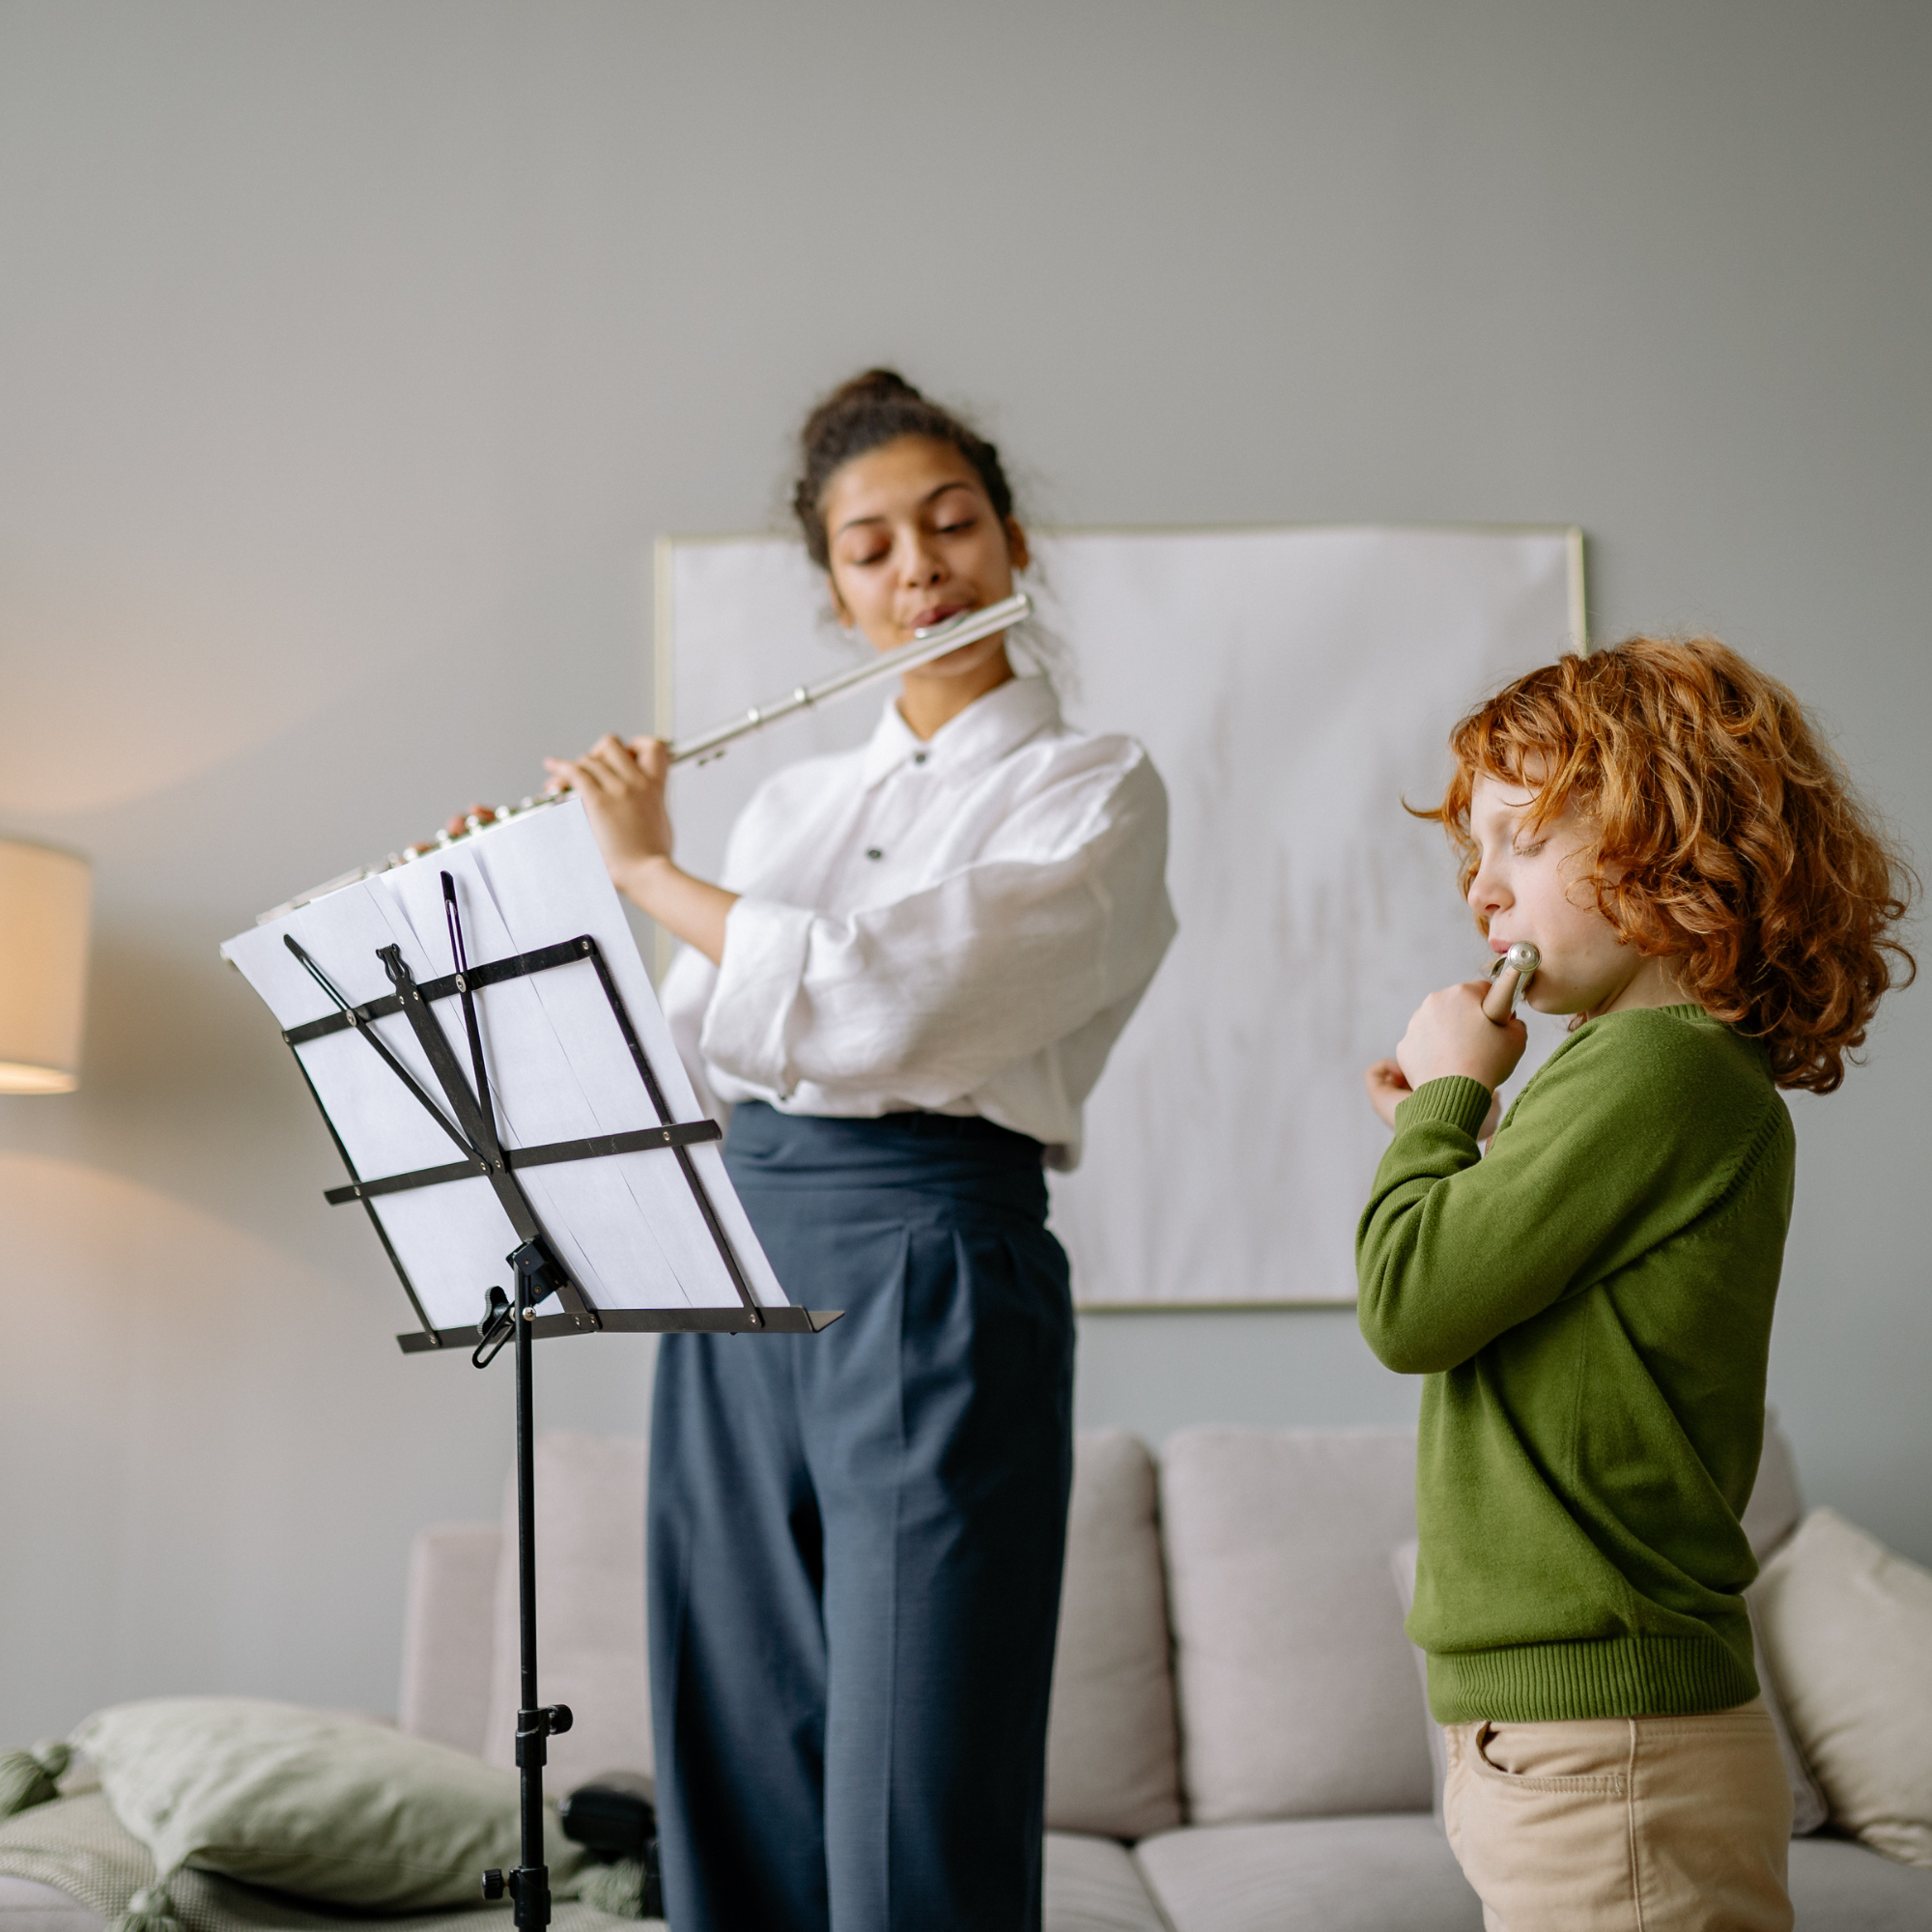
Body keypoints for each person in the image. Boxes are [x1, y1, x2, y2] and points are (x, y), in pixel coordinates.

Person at [546, 369, 1177, 1932]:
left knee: (921, 1759)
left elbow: (885, 998)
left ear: (1012, 542)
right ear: (837, 592)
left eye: (952, 525)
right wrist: (525, 904)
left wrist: (644, 866)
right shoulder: (792, 808)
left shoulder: (1090, 787)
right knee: (734, 1722)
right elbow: (702, 1044)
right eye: (873, 547)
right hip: (740, 1245)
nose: (921, 570)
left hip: (930, 1247)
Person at [1355, 637, 1915, 1930]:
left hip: (1604, 1739)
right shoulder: (1641, 1077)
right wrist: (1436, 1142)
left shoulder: (1650, 1072)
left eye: (1523, 838)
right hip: (1574, 1733)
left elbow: (1410, 1303)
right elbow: (1495, 1286)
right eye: (1472, 854)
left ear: (1673, 839)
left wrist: (1448, 1094)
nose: (1482, 891)